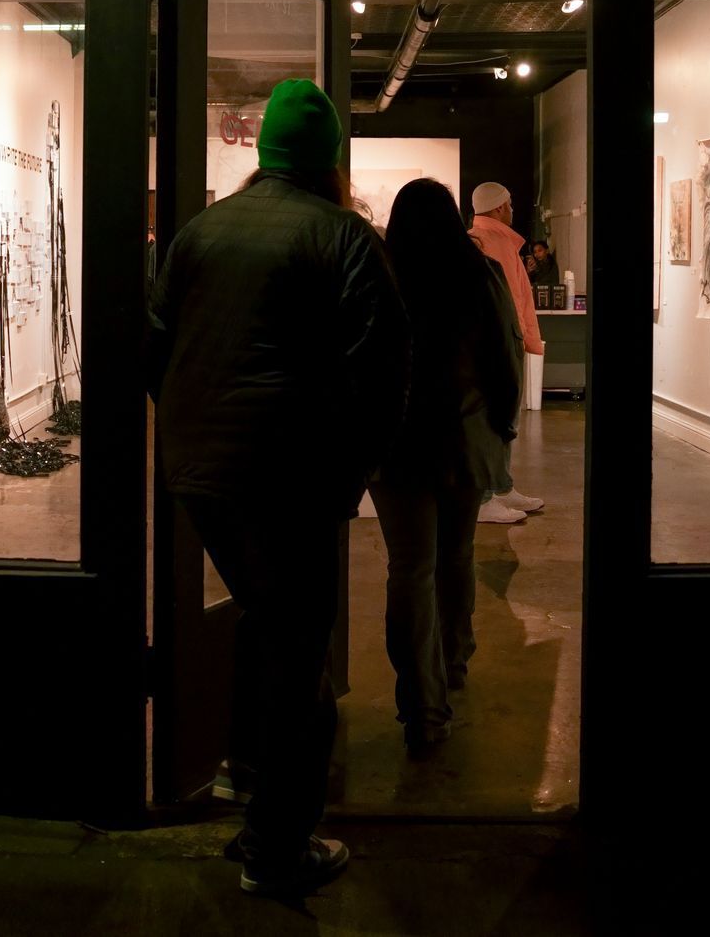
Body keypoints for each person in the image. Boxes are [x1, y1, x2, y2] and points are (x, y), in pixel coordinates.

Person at [147, 79, 408, 897]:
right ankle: (278, 846)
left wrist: (193, 430)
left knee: (262, 621)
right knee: (300, 653)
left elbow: (155, 345)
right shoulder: (346, 237)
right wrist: (351, 473)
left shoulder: (200, 231)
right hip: (290, 476)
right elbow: (382, 374)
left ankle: (241, 776)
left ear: (264, 156)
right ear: (328, 156)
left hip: (201, 471)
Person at [377, 178, 523, 754]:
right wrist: (504, 425)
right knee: (455, 555)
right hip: (461, 439)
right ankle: (454, 658)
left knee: (408, 567)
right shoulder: (476, 273)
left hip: (396, 445)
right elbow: (503, 356)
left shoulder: (382, 276)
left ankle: (420, 705)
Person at [467, 182, 547, 520]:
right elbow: (505, 300)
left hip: (503, 337)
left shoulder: (491, 240)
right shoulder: (491, 242)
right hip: (499, 339)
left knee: (502, 416)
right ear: (499, 208)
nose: (514, 209)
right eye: (510, 203)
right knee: (493, 417)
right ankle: (486, 496)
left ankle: (501, 486)